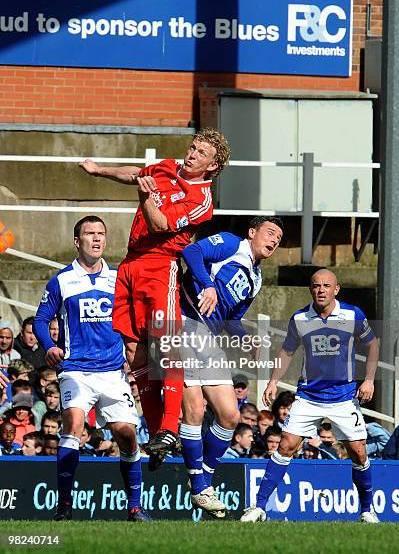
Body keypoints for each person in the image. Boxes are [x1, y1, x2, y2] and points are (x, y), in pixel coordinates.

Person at [79, 129, 231, 456]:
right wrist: (100, 170)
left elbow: (160, 224)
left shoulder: (202, 200)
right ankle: (156, 435)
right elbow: (136, 174)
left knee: (166, 345)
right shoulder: (165, 167)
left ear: (213, 164)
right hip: (130, 263)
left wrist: (145, 197)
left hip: (160, 266)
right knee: (134, 351)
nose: (192, 155)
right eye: (192, 148)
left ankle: (169, 427)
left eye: (201, 153)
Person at [33, 216, 151, 522]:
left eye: (101, 234)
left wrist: (134, 351)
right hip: (76, 370)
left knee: (127, 436)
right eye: (90, 234)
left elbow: (134, 320)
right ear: (77, 241)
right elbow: (40, 320)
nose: (97, 239)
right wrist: (49, 346)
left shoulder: (119, 278)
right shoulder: (62, 280)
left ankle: (135, 508)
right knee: (73, 425)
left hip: (113, 372)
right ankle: (64, 507)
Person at [240, 268, 380, 524]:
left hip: (344, 396)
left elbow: (372, 344)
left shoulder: (352, 314)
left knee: (359, 452)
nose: (321, 290)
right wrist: (273, 381)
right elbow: (286, 351)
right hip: (308, 397)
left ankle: (367, 510)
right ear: (310, 289)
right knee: (285, 446)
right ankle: (259, 507)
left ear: (336, 289)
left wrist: (369, 379)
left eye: (327, 285)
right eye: (316, 285)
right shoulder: (300, 318)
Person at [178, 216, 283, 516]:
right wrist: (208, 286)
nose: (274, 240)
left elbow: (231, 319)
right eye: (269, 232)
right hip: (182, 324)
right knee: (195, 409)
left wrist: (247, 339)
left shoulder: (257, 278)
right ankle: (198, 485)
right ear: (252, 232)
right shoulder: (230, 243)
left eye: (278, 238)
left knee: (230, 414)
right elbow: (191, 253)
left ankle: (204, 482)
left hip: (208, 336)